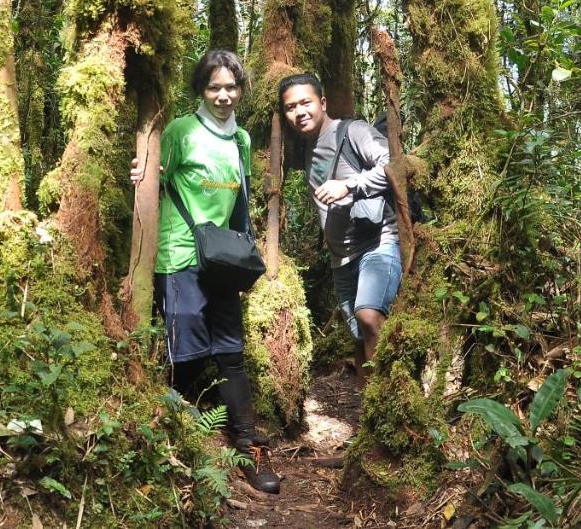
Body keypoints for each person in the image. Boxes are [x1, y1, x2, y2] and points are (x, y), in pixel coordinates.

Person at [130, 49, 280, 494]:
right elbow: (154, 173)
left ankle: (247, 445)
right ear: (201, 89)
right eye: (214, 87)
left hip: (221, 263)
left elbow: (240, 204)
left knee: (231, 351)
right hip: (179, 256)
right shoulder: (180, 130)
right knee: (187, 347)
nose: (223, 95)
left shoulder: (241, 141)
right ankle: (180, 441)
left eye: (231, 87)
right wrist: (143, 169)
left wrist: (242, 260)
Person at [278, 73, 401, 386]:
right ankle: (367, 421)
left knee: (370, 318)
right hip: (340, 260)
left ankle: (383, 403)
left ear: (322, 102)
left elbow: (393, 166)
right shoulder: (305, 148)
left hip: (378, 243)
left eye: (306, 102)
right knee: (358, 338)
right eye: (290, 107)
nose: (299, 111)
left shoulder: (353, 131)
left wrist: (349, 186)